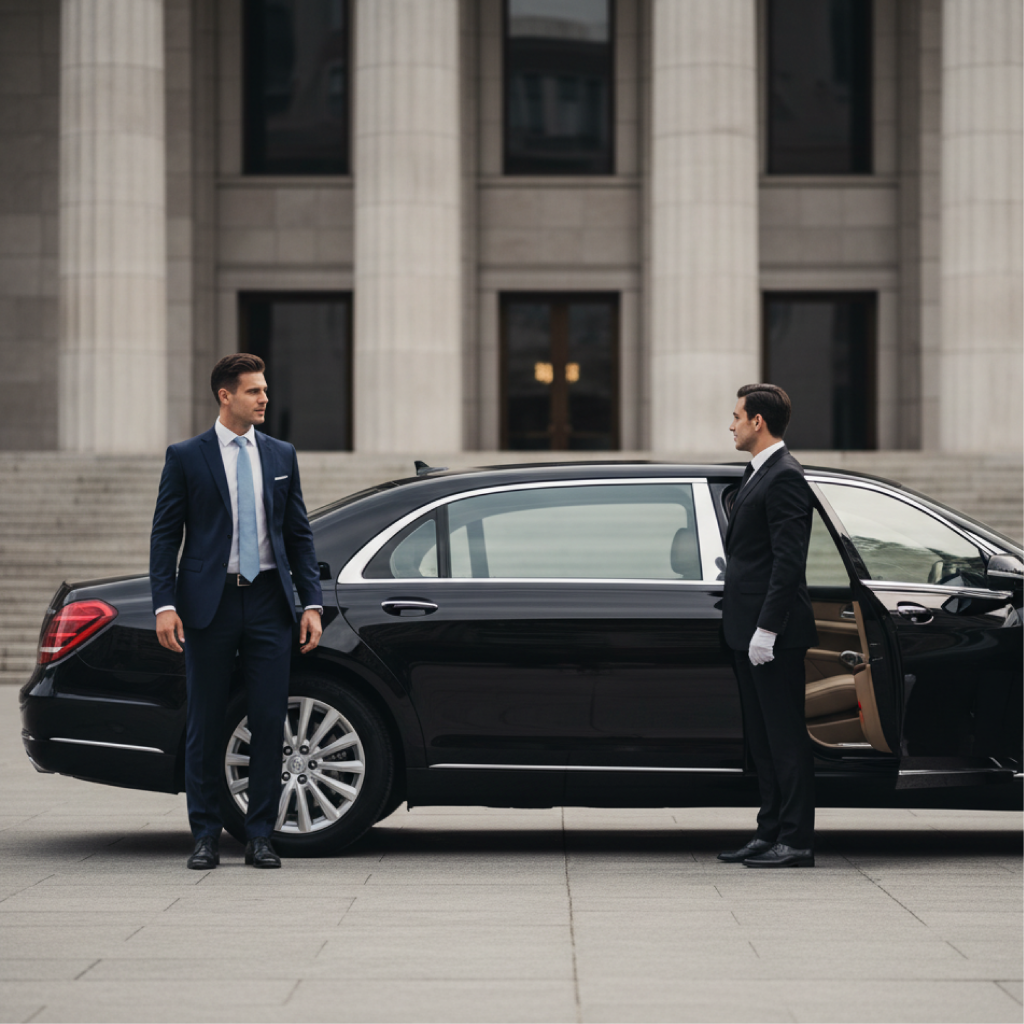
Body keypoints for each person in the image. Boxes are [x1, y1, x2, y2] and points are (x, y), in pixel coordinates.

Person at [150, 354, 323, 870]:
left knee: (270, 719)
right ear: (225, 396)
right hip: (210, 603)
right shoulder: (186, 456)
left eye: (265, 389)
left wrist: (310, 601)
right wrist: (164, 603)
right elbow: (165, 535)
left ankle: (260, 835)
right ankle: (204, 834)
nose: (264, 398)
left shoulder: (281, 454)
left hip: (270, 601)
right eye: (253, 391)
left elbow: (298, 534)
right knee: (205, 721)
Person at [717, 383, 818, 868]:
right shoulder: (759, 473)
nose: (731, 424)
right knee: (762, 741)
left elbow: (788, 563)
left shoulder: (785, 476)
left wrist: (768, 630)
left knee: (784, 738)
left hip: (770, 634)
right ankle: (769, 830)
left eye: (737, 416)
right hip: (746, 628)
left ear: (758, 422)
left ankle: (796, 839)